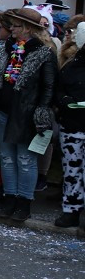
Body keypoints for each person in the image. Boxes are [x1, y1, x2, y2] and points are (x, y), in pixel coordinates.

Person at [0, 7, 57, 222]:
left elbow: (49, 86)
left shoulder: (43, 53)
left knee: (25, 159)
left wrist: (41, 111)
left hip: (26, 115)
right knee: (6, 159)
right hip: (2, 111)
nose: (11, 29)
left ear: (28, 29)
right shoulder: (5, 49)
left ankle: (24, 202)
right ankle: (9, 198)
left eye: (16, 25)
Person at [55, 20, 85, 228]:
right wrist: (64, 101)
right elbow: (58, 87)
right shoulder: (72, 64)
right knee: (72, 170)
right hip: (72, 124)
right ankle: (71, 210)